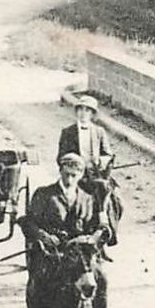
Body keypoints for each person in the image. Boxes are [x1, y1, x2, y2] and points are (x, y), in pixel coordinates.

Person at [24, 152, 121, 308]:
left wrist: (93, 237)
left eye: (74, 175)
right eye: (66, 174)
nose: (69, 179)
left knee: (101, 278)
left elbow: (102, 226)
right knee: (41, 283)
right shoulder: (44, 194)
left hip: (80, 254)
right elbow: (28, 222)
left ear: (80, 175)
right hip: (54, 253)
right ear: (60, 171)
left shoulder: (87, 199)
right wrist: (43, 236)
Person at [57, 94, 121, 243]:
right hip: (75, 176)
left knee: (115, 199)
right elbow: (60, 157)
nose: (83, 113)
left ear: (92, 114)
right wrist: (73, 163)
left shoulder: (99, 132)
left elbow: (107, 154)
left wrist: (103, 161)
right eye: (81, 110)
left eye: (87, 110)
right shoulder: (68, 132)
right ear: (77, 112)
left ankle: (106, 229)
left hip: (96, 175)